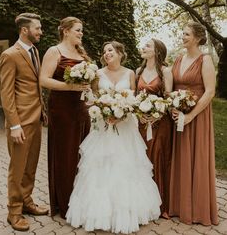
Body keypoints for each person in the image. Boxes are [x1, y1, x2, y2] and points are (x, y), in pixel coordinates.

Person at [66, 41, 161, 234]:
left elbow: (133, 100)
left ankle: (128, 211)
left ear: (119, 52)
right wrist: (103, 111)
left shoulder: (130, 73)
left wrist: (122, 114)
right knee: (100, 166)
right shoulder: (98, 74)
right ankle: (99, 212)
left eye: (110, 50)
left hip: (125, 127)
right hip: (103, 127)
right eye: (104, 51)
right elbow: (92, 98)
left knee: (126, 165)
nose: (106, 53)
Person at [0, 13, 48, 232]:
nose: (40, 31)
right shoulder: (10, 55)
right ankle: (14, 212)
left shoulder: (35, 51)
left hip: (36, 119)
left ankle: (27, 202)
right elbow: (6, 93)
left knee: (30, 166)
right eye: (37, 28)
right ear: (24, 30)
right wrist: (15, 125)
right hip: (20, 122)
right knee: (17, 169)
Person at [40, 16, 91, 218]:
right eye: (78, 30)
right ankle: (65, 203)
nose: (81, 34)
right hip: (62, 109)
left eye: (81, 31)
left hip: (81, 108)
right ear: (65, 31)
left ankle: (82, 200)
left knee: (83, 154)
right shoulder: (55, 51)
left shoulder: (81, 53)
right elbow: (44, 79)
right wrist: (69, 86)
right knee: (65, 154)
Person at [169, 21, 219, 225]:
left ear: (197, 37)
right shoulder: (179, 59)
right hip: (178, 114)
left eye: (186, 34)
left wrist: (191, 115)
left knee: (196, 157)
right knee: (181, 157)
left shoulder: (205, 59)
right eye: (182, 33)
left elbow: (210, 92)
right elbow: (172, 86)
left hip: (196, 116)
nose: (182, 36)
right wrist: (173, 105)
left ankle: (197, 209)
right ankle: (180, 206)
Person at [136, 38, 173, 219]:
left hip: (160, 123)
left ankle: (162, 204)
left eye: (147, 46)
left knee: (158, 156)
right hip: (142, 123)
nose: (143, 48)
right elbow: (135, 97)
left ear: (157, 51)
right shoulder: (138, 71)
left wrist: (156, 114)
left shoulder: (165, 71)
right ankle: (143, 203)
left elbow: (168, 98)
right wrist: (140, 114)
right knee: (142, 158)